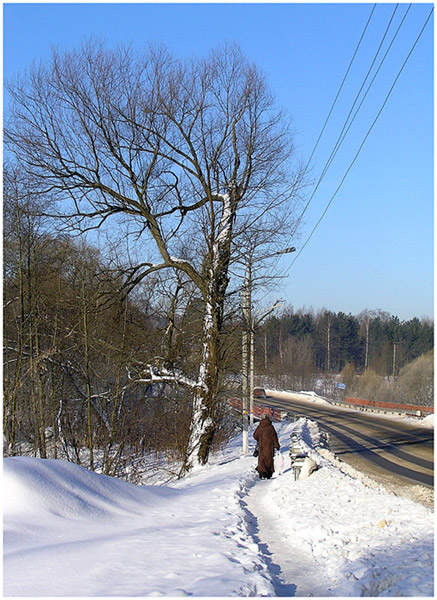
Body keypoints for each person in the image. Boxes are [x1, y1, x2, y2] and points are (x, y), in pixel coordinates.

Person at [253, 413, 280, 479]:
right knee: (269, 459)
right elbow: (274, 437)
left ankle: (262, 472)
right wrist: (277, 445)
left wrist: (259, 439)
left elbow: (255, 435)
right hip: (270, 447)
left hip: (262, 446)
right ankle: (268, 473)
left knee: (262, 459)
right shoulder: (271, 427)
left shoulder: (260, 427)